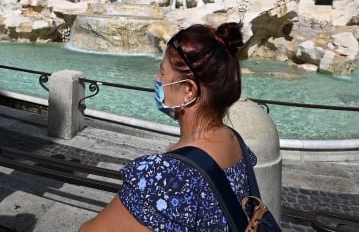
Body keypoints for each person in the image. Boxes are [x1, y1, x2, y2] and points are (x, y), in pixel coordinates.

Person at [79, 23, 254, 231]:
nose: (157, 79)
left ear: (189, 90)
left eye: (162, 73)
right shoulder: (234, 141)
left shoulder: (166, 176)